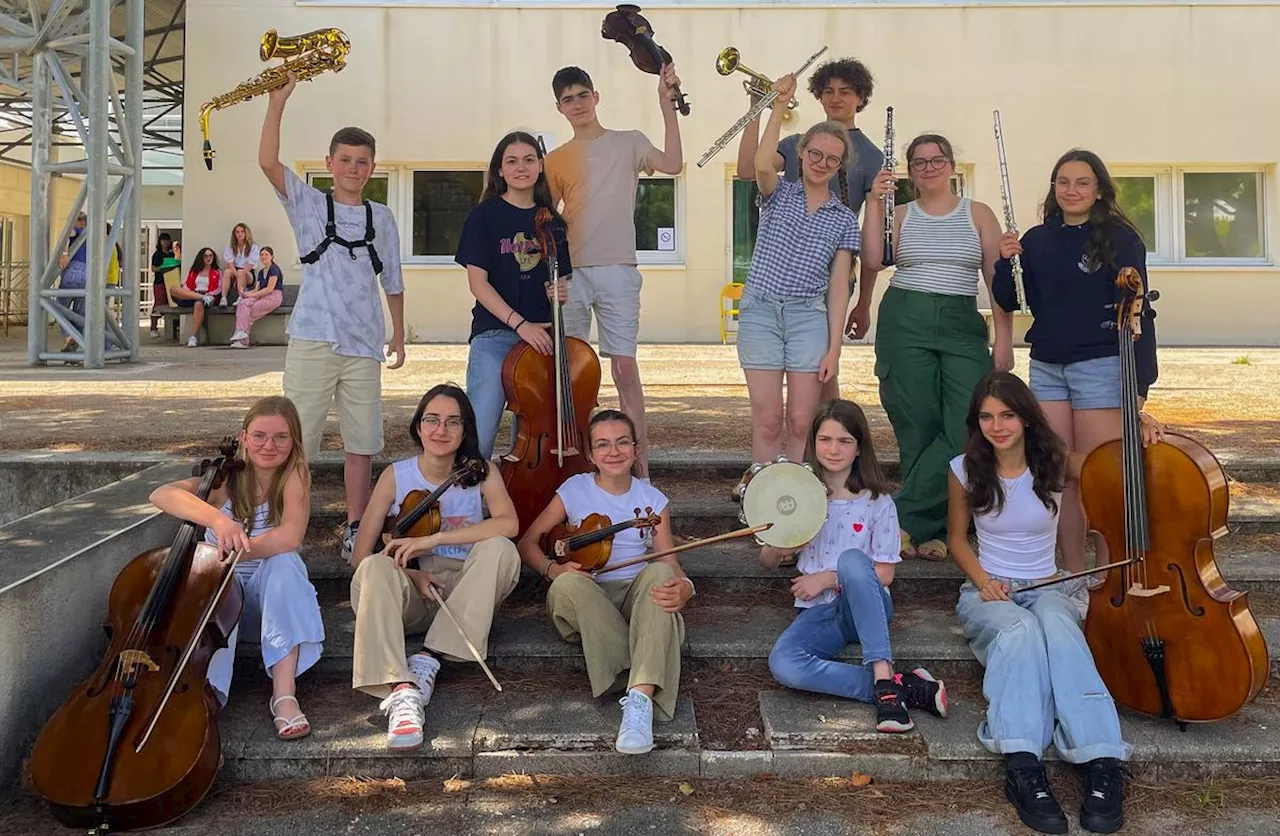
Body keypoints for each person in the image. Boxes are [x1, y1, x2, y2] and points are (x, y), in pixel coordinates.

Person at [947, 371, 1136, 835]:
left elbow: (1114, 466)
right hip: (990, 589)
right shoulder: (964, 468)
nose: (998, 425)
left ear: (1026, 418)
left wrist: (1142, 424)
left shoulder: (1054, 461)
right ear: (978, 422)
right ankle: (1022, 760)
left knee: (1059, 628)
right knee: (1020, 631)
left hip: (1048, 583)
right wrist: (985, 581)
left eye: (1007, 414)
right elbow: (956, 540)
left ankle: (1101, 759)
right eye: (987, 416)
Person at [260, 71, 406, 564]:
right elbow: (266, 161)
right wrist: (277, 104)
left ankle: (356, 527)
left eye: (362, 161)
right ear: (329, 163)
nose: (353, 167)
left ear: (372, 167)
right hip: (313, 338)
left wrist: (399, 334)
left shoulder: (381, 218)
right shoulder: (308, 203)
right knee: (293, 438)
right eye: (344, 160)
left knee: (361, 442)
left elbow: (393, 280)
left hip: (363, 343)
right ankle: (286, 526)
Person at [995, 149, 1161, 574]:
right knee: (1061, 476)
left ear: (1099, 189)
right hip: (1048, 365)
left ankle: (1109, 576)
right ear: (1054, 188)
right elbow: (1014, 299)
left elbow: (1139, 311)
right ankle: (1072, 574)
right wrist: (1005, 260)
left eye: (1082, 182)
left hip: (1100, 364)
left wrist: (1140, 385)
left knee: (1099, 479)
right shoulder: (1036, 239)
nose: (1071, 190)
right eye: (1063, 182)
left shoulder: (1121, 239)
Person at [861, 134, 1014, 560]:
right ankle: (938, 529)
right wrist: (874, 202)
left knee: (969, 423)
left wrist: (1004, 338)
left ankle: (899, 521)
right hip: (905, 317)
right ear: (910, 170)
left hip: (961, 322)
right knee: (916, 425)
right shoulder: (899, 213)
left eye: (937, 160)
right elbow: (872, 260)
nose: (929, 168)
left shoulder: (978, 214)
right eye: (920, 162)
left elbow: (996, 280)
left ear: (951, 166)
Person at [349, 384, 521, 751]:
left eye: (452, 422)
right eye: (432, 420)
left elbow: (509, 525)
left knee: (502, 550)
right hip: (411, 593)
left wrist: (433, 540)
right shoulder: (396, 476)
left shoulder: (481, 471)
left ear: (465, 430)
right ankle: (400, 689)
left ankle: (428, 658)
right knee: (375, 569)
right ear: (418, 426)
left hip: (464, 590)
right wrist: (413, 572)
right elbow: (360, 556)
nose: (441, 430)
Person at [764, 399, 946, 733]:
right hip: (819, 612)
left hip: (868, 604)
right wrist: (781, 544)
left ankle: (881, 671)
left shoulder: (878, 503)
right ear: (813, 443)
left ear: (859, 447)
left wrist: (827, 578)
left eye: (845, 441)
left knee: (851, 560)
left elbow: (885, 573)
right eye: (825, 440)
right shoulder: (799, 499)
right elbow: (768, 560)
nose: (834, 449)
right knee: (784, 663)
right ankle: (894, 686)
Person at [148, 395, 324, 740]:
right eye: (259, 435)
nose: (268, 445)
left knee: (285, 563)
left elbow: (290, 536)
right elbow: (161, 494)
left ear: (294, 442)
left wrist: (245, 550)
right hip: (223, 609)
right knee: (213, 579)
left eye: (280, 437)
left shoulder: (294, 476)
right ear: (243, 437)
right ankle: (208, 693)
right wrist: (218, 520)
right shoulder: (224, 479)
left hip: (269, 605)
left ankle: (284, 696)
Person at [516, 409, 692, 755]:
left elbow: (669, 561)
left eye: (622, 442)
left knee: (658, 573)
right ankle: (649, 654)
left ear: (636, 448)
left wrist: (685, 587)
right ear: (591, 454)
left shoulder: (652, 501)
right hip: (585, 598)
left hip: (634, 597)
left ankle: (639, 701)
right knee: (568, 585)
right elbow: (527, 543)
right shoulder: (574, 489)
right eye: (603, 444)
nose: (614, 452)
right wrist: (554, 570)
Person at [544, 63, 684, 477]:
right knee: (570, 372)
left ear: (595, 97)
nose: (577, 104)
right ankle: (573, 464)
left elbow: (674, 163)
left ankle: (639, 470)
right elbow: (545, 220)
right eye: (568, 99)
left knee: (624, 367)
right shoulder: (555, 159)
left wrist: (667, 104)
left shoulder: (630, 142)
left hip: (619, 270)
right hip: (570, 274)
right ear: (559, 108)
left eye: (582, 95)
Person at [736, 56, 884, 400]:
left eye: (846, 92)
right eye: (828, 91)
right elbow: (748, 168)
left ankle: (827, 448)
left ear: (861, 98)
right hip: (785, 276)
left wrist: (863, 302)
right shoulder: (798, 142)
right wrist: (759, 108)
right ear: (818, 95)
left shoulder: (874, 156)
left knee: (824, 375)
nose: (836, 98)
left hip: (835, 272)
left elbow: (867, 235)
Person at [739, 73, 859, 465]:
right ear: (802, 152)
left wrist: (835, 349)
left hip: (809, 318)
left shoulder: (843, 218)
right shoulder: (777, 193)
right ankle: (763, 508)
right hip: (761, 313)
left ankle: (797, 509)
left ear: (840, 165)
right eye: (815, 153)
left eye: (832, 158)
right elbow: (760, 161)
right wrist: (778, 105)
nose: (822, 163)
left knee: (801, 422)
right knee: (768, 421)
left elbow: (839, 286)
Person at [458, 131, 573, 459]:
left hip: (544, 337)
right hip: (495, 335)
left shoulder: (553, 221)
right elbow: (478, 284)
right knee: (480, 429)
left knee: (534, 433)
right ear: (500, 170)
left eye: (528, 159)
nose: (521, 167)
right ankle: (466, 502)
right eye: (512, 161)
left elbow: (558, 281)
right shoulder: (484, 216)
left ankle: (519, 500)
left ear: (540, 167)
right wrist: (521, 325)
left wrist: (559, 291)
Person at [230, 246, 285, 349]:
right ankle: (241, 333)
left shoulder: (274, 269)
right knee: (243, 304)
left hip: (273, 297)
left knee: (248, 312)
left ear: (272, 256)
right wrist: (246, 294)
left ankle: (242, 340)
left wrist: (251, 295)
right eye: (261, 255)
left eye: (266, 254)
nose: (263, 257)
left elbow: (269, 289)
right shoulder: (260, 272)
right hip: (262, 296)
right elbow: (257, 289)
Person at [168, 247, 222, 347]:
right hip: (192, 295)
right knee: (173, 288)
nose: (208, 258)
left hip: (209, 297)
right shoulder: (194, 271)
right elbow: (187, 286)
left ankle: (193, 337)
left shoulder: (217, 272)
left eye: (211, 256)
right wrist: (197, 295)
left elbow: (218, 288)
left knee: (198, 303)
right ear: (201, 258)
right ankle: (201, 297)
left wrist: (208, 295)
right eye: (206, 256)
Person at [56, 211, 88, 352]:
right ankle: (77, 346)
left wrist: (64, 253)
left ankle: (70, 337)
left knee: (59, 308)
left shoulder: (77, 230)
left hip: (74, 270)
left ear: (79, 221)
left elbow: (67, 233)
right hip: (88, 273)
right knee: (79, 313)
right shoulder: (92, 235)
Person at [224, 222, 261, 306]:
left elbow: (250, 265)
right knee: (227, 272)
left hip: (248, 273)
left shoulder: (253, 247)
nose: (239, 234)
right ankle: (223, 298)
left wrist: (239, 276)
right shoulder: (230, 246)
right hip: (235, 271)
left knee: (241, 272)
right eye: (237, 232)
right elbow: (230, 263)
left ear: (246, 233)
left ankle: (240, 297)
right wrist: (236, 275)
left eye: (242, 231)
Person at [150, 232, 179, 338]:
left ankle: (174, 327)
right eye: (163, 240)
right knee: (158, 304)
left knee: (172, 303)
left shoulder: (172, 254)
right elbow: (153, 268)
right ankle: (153, 327)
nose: (165, 242)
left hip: (172, 282)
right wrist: (163, 268)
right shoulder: (157, 254)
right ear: (160, 242)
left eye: (167, 240)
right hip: (160, 282)